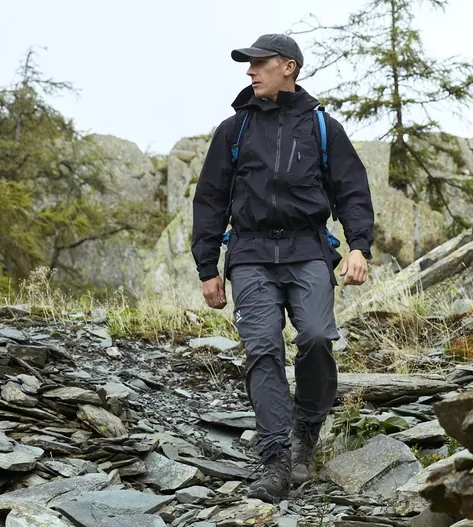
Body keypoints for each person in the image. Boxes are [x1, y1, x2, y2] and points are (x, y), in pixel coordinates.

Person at [191, 33, 375, 503]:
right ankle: (273, 457)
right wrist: (207, 266)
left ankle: (305, 434)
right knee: (263, 350)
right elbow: (210, 199)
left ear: (288, 67)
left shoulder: (322, 128)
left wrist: (359, 246)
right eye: (248, 64)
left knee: (315, 336)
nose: (250, 71)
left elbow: (352, 189)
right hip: (250, 254)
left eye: (259, 63)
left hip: (308, 250)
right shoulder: (233, 131)